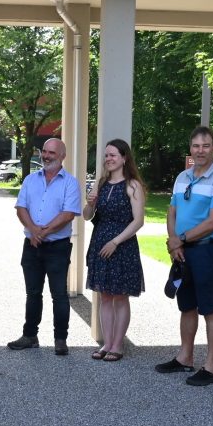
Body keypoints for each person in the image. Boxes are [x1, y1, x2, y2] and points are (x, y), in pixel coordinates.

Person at [154, 127, 213, 384]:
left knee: (209, 308)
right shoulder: (182, 177)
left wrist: (182, 239)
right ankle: (185, 358)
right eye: (196, 146)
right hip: (182, 251)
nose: (201, 150)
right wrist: (173, 243)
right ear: (190, 148)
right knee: (186, 305)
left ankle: (211, 367)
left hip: (206, 251)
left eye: (206, 145)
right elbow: (171, 212)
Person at [8, 138, 81, 355]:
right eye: (45, 152)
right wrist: (32, 230)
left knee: (59, 294)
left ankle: (60, 339)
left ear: (62, 157)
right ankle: (30, 335)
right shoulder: (30, 180)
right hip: (31, 246)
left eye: (52, 153)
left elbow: (69, 213)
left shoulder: (70, 183)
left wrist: (43, 232)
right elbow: (21, 208)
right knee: (32, 293)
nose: (46, 156)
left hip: (57, 247)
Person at [84, 139, 146, 361]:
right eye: (106, 155)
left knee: (120, 297)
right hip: (100, 243)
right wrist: (90, 203)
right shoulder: (100, 184)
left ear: (124, 158)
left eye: (113, 155)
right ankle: (106, 343)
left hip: (122, 245)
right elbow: (86, 216)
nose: (109, 159)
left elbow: (138, 221)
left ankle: (118, 345)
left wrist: (116, 242)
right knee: (104, 295)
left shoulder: (133, 185)